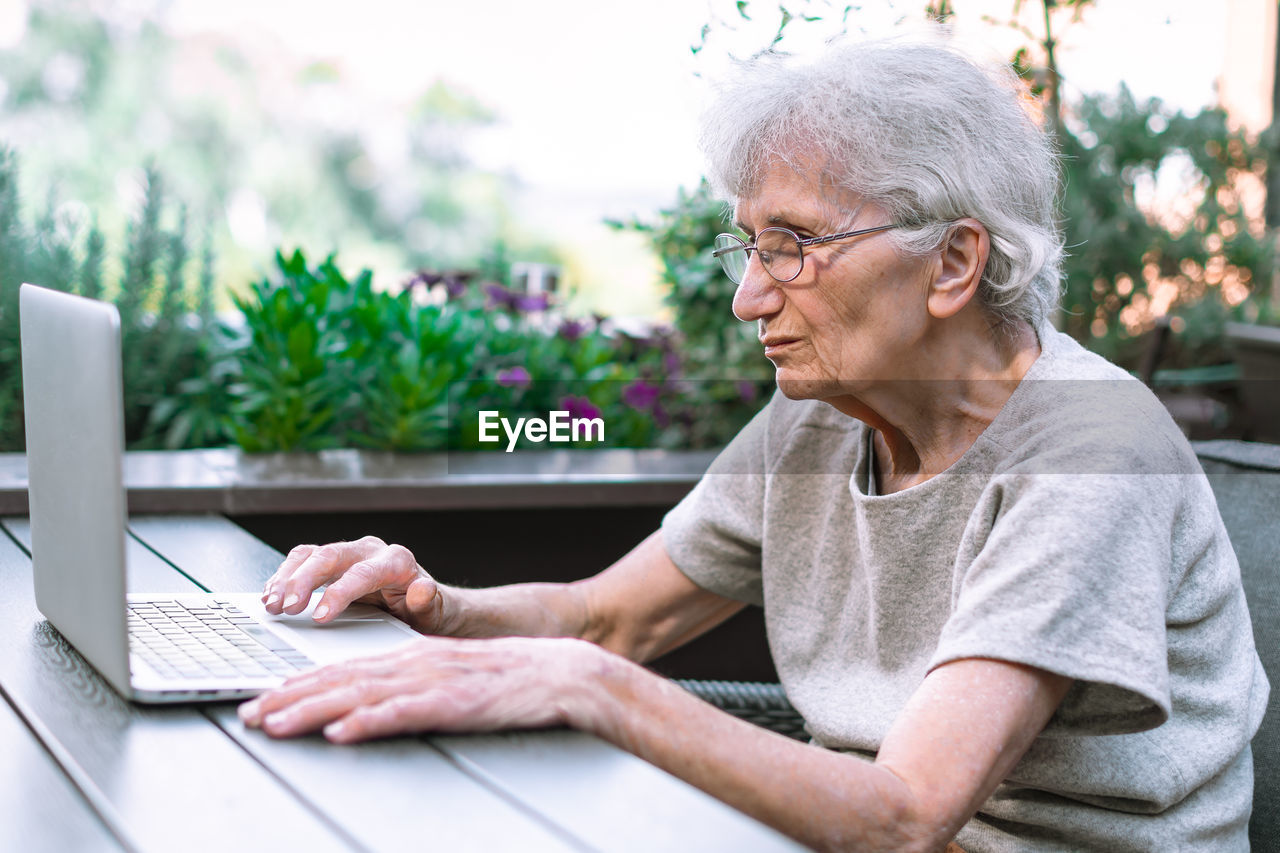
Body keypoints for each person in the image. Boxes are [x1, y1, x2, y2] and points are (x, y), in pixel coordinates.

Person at [238, 35, 1268, 852]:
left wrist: (588, 692)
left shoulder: (1085, 447)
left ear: (952, 263)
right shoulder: (820, 417)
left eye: (792, 245)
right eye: (748, 245)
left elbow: (907, 812)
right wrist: (431, 605)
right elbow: (602, 622)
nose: (746, 296)